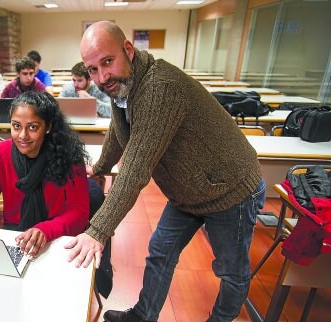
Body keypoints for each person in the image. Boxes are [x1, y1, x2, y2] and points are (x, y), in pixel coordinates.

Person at [64, 21, 266, 322]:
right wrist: (102, 166)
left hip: (231, 189)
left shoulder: (160, 88)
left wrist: (98, 230)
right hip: (188, 191)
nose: (102, 76)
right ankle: (143, 316)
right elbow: (118, 131)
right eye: (92, 69)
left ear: (128, 50)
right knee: (160, 251)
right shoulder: (122, 84)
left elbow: (135, 169)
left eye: (107, 61)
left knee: (231, 271)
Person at [0, 91, 90, 258]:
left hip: (56, 235)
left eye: (33, 127)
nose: (22, 136)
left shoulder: (69, 156)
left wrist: (45, 230)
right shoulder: (0, 153)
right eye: (16, 126)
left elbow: (78, 212)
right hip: (16, 233)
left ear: (48, 127)